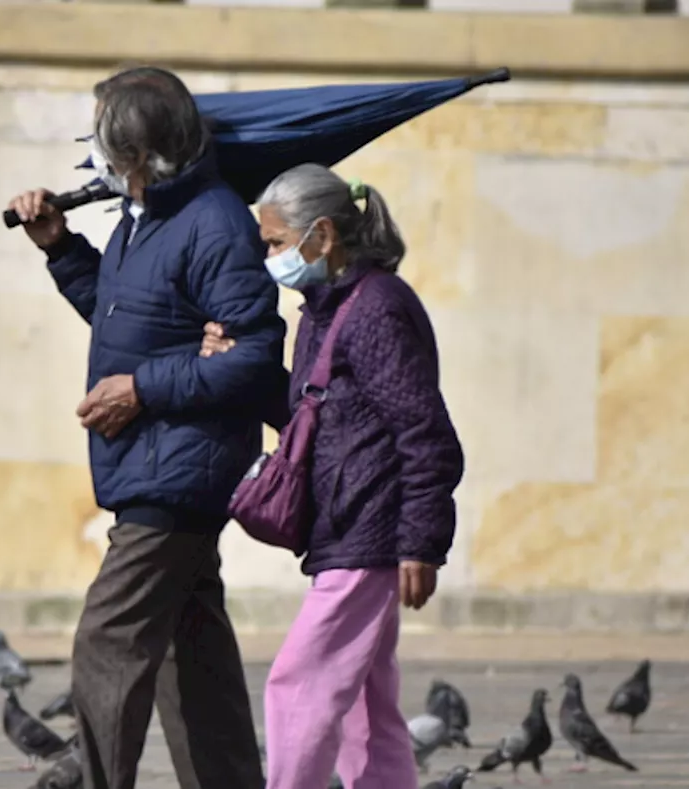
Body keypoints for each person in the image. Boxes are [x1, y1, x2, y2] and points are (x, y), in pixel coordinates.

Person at [6, 66, 280, 789]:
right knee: (192, 657)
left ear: (132, 150)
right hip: (157, 461)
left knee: (109, 639)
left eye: (98, 133)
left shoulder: (213, 220)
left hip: (182, 466)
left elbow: (253, 352)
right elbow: (130, 319)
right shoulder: (144, 219)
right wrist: (61, 247)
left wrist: (142, 388)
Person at [202, 163, 465, 789]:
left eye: (274, 241)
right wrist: (238, 364)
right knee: (366, 711)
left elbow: (424, 432)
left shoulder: (375, 310)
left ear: (321, 237)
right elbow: (316, 414)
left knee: (299, 683)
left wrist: (421, 542)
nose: (268, 256)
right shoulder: (328, 307)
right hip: (346, 525)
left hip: (367, 529)